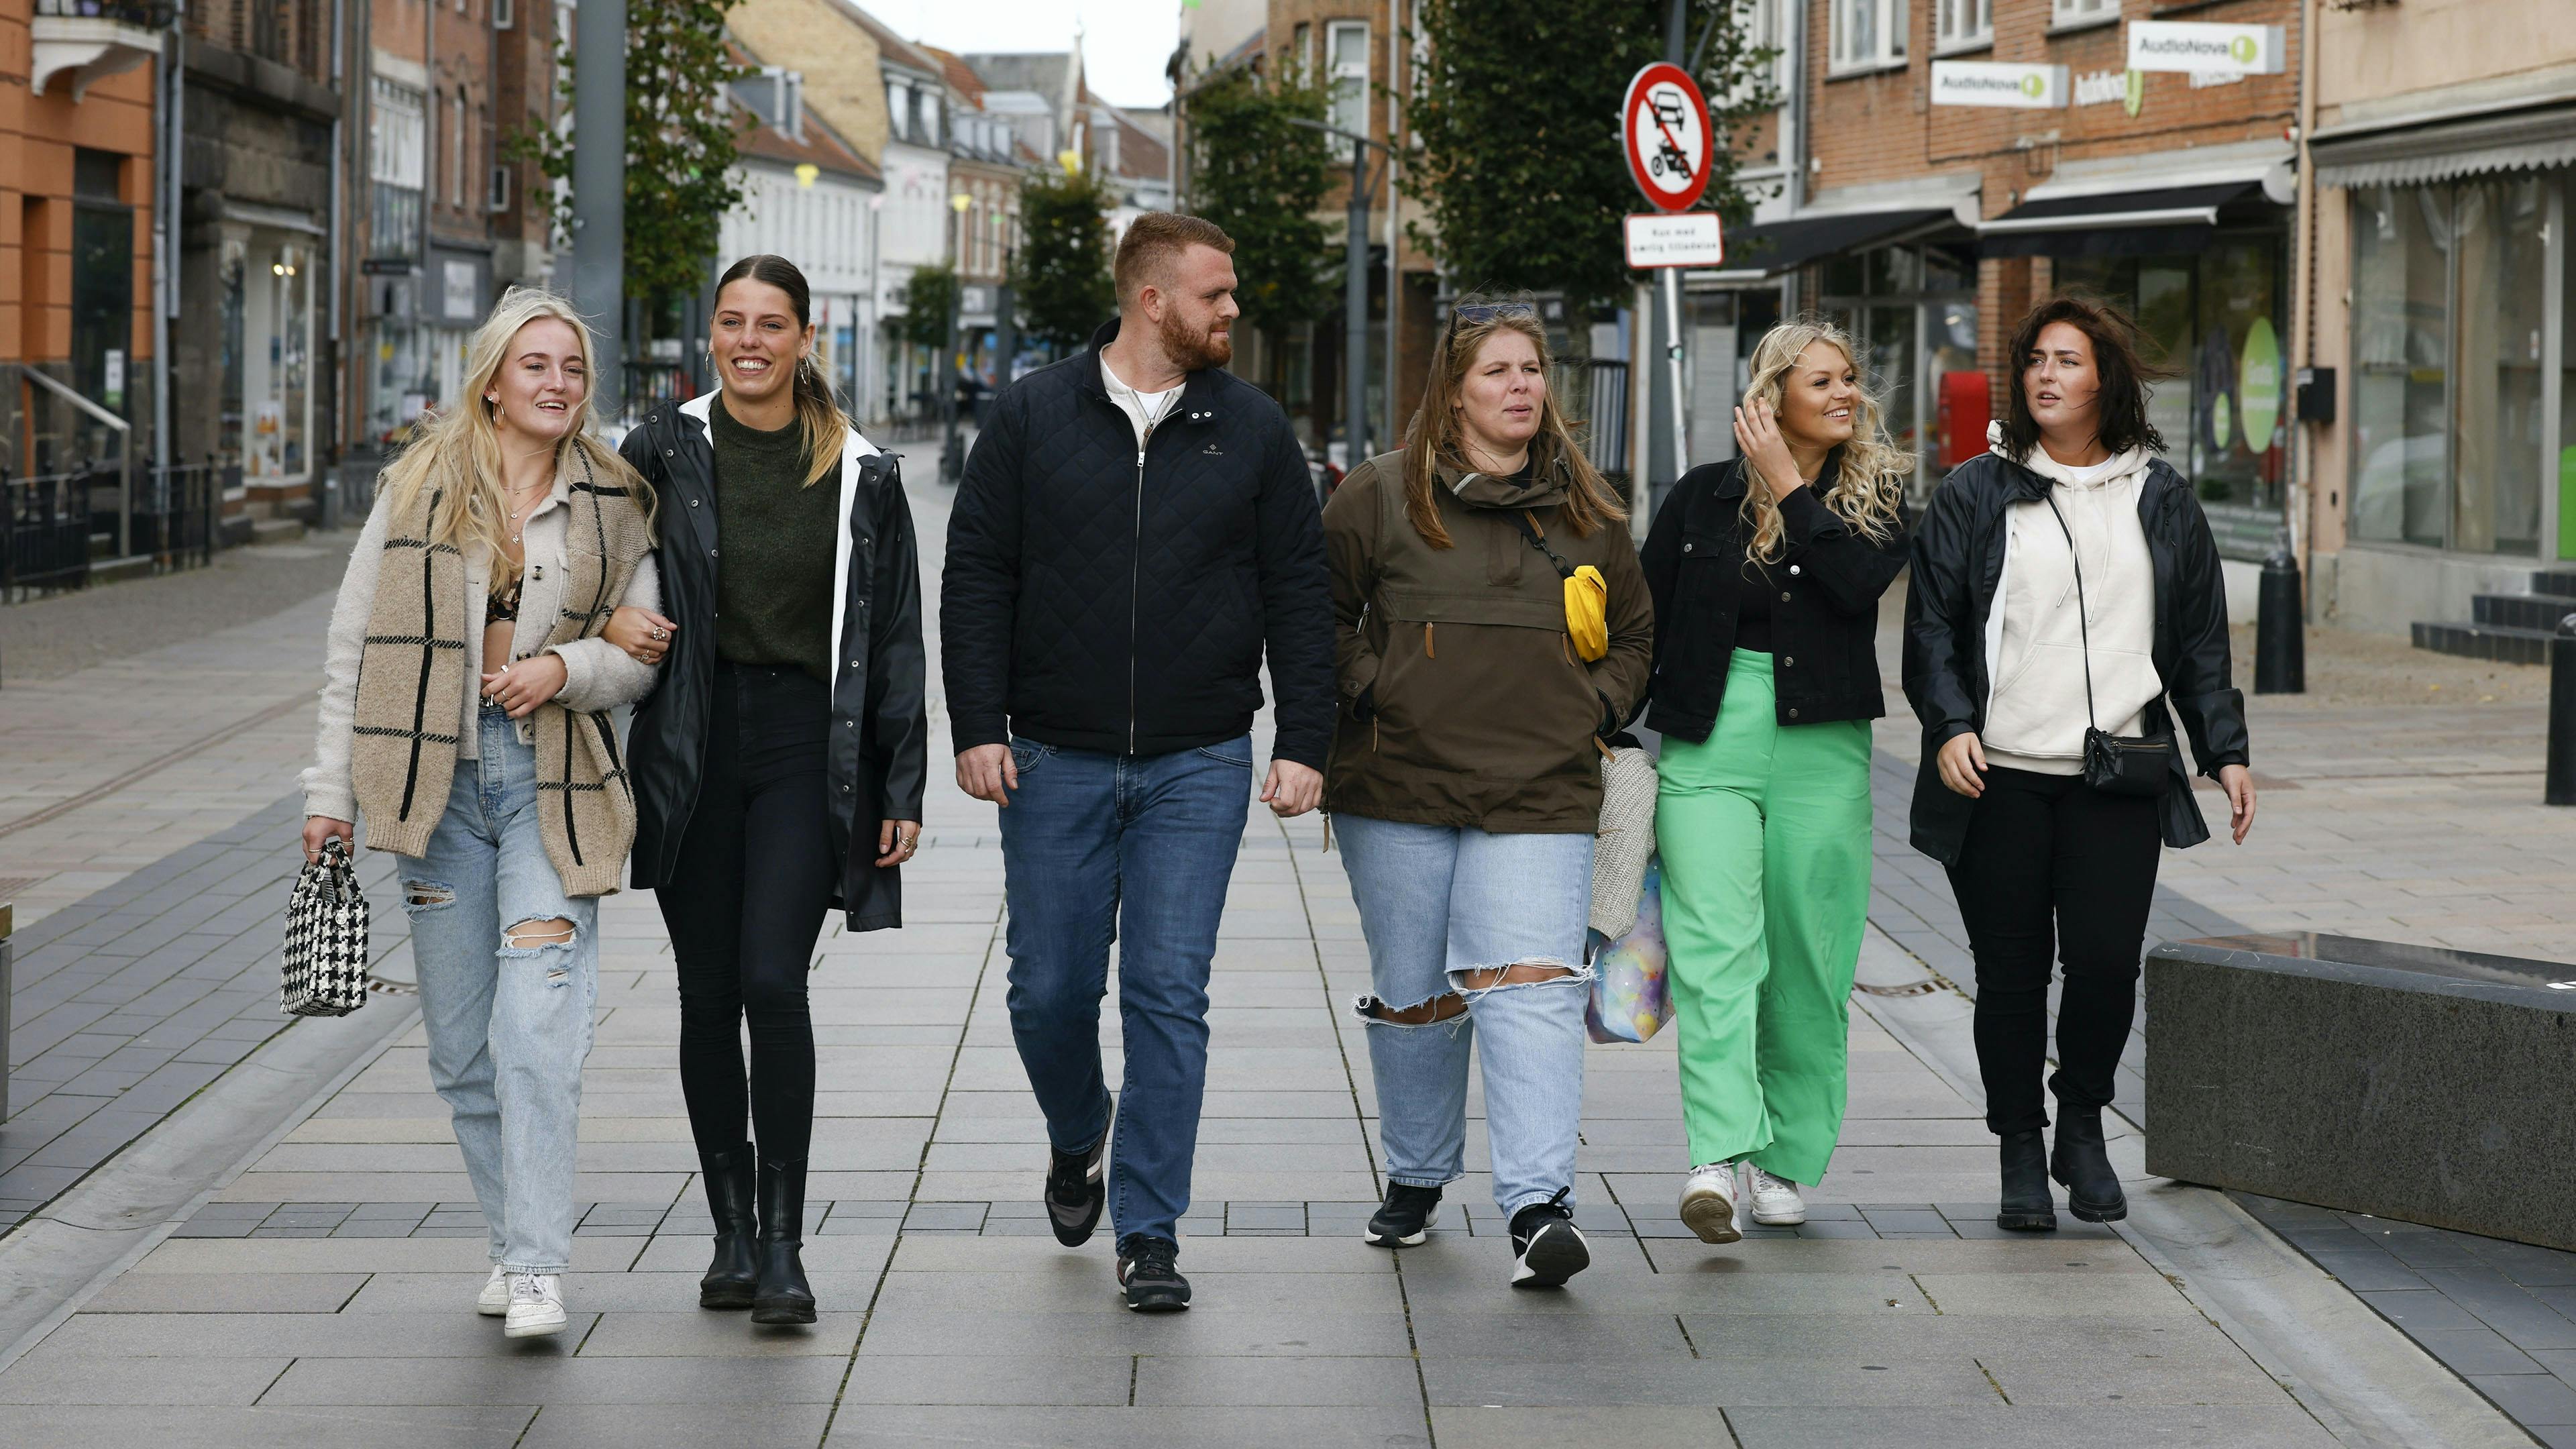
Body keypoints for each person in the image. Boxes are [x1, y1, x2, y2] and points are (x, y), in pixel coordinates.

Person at [942, 212, 1334, 1312]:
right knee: (1048, 993)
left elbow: (1300, 590)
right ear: (1154, 300)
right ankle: (1080, 1132)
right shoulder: (1030, 416)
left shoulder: (1252, 430)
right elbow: (975, 571)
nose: (1233, 311)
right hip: (1053, 757)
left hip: (1199, 761)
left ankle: (1149, 1232)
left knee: (1168, 994)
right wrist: (977, 721)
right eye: (1218, 294)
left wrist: (1304, 738)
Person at [301, 288, 661, 1339]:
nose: (558, 385)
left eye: (574, 369)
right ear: (494, 380)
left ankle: (539, 1269)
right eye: (537, 366)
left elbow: (638, 661)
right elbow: (353, 649)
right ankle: (511, 1245)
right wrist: (328, 796)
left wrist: (562, 667)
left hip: (553, 787)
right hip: (435, 794)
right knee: (462, 1051)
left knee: (538, 1030)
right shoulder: (417, 487)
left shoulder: (615, 498)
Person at [608, 255, 928, 1325]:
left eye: (772, 324)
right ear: (711, 334)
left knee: (771, 982)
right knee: (706, 993)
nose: (751, 341)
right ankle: (730, 1235)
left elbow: (893, 641)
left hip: (804, 745)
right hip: (691, 744)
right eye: (733, 323)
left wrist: (902, 784)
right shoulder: (659, 449)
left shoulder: (862, 470)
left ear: (805, 336)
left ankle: (786, 1250)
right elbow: (597, 570)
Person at [1903, 294, 2255, 1230]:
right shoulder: (1978, 491)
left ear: (2107, 378)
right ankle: (2021, 1145)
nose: (2046, 376)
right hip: (2000, 779)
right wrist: (1947, 725)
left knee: (2104, 966)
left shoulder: (2161, 494)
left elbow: (2199, 639)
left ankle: (2083, 1120)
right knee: (2012, 977)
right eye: (2034, 362)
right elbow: (1931, 624)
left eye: (2067, 360)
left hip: (2116, 779)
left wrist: (2225, 750)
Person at [1323, 297, 1653, 1289]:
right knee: (1419, 999)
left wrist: (1584, 709)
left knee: (1535, 992)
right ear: (1453, 393)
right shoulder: (1377, 497)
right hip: (1395, 787)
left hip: (1542, 787)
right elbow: (1317, 617)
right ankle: (1418, 1177)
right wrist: (1375, 687)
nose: (1522, 387)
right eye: (1498, 372)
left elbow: (1636, 635)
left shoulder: (1589, 510)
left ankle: (1537, 1207)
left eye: (1533, 371)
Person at [1639, 319, 1910, 1244]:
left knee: (1808, 956)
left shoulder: (1873, 494)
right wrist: (1602, 730)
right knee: (1716, 950)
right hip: (1709, 737)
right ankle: (1717, 1153)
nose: (1846, 394)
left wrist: (1794, 490)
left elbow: (1858, 585)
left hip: (1821, 742)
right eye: (1823, 380)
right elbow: (1647, 617)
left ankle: (1785, 1159)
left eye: (1850, 378)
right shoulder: (1701, 499)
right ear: (1775, 394)